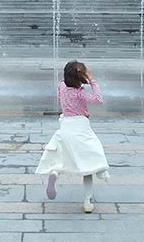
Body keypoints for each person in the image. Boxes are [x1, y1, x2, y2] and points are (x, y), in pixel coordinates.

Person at [36, 61, 109, 213]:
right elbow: (98, 99)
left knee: (61, 158)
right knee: (89, 163)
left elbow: (59, 97)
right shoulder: (80, 93)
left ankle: (55, 174)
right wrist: (92, 80)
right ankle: (87, 201)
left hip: (65, 126)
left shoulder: (62, 86)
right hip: (81, 127)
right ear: (80, 77)